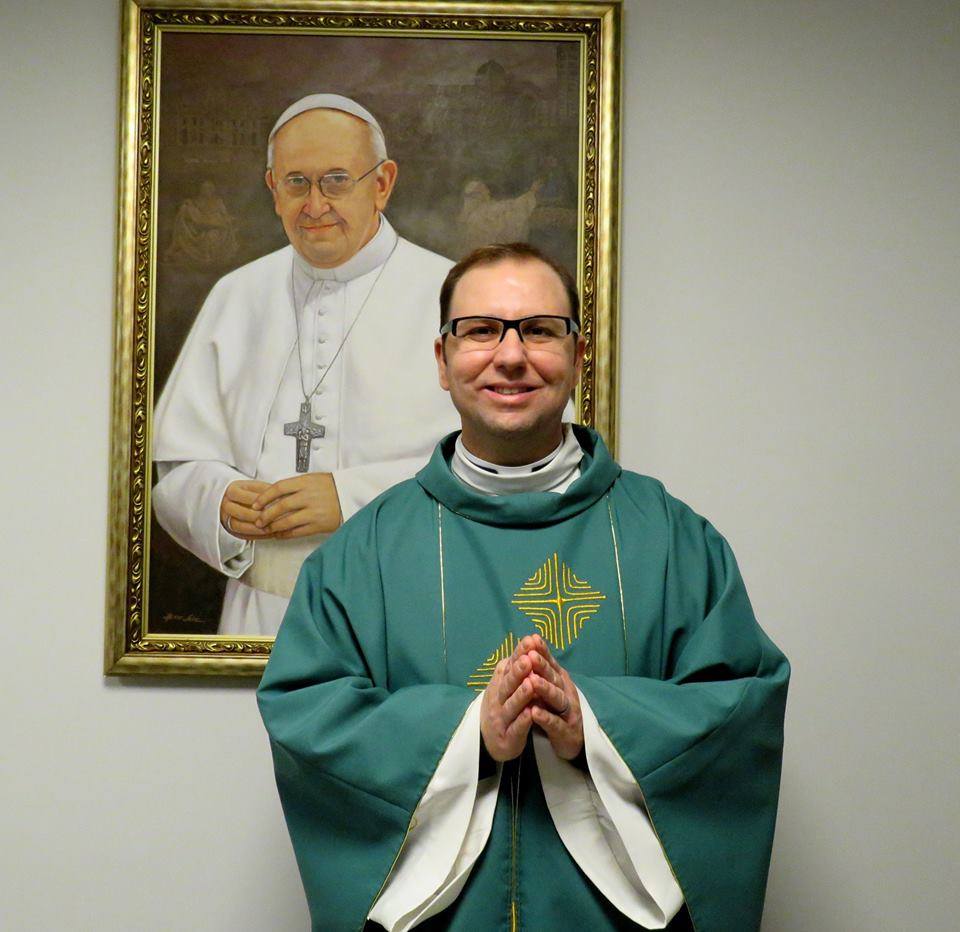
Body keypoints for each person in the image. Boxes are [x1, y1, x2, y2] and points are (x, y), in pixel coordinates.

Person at [257, 244, 790, 931]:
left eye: (539, 329)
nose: (511, 355)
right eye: (481, 330)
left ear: (578, 353)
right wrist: (469, 731)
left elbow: (741, 705)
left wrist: (590, 724)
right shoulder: (362, 554)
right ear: (443, 360)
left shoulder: (672, 540)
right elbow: (308, 715)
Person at [152, 94, 460, 635]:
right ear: (273, 190)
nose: (315, 204)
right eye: (296, 183)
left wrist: (351, 497)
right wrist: (220, 501)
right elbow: (176, 469)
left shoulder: (456, 296)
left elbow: (517, 467)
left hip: (408, 616)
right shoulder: (237, 294)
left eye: (337, 180)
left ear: (383, 183)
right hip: (258, 620)